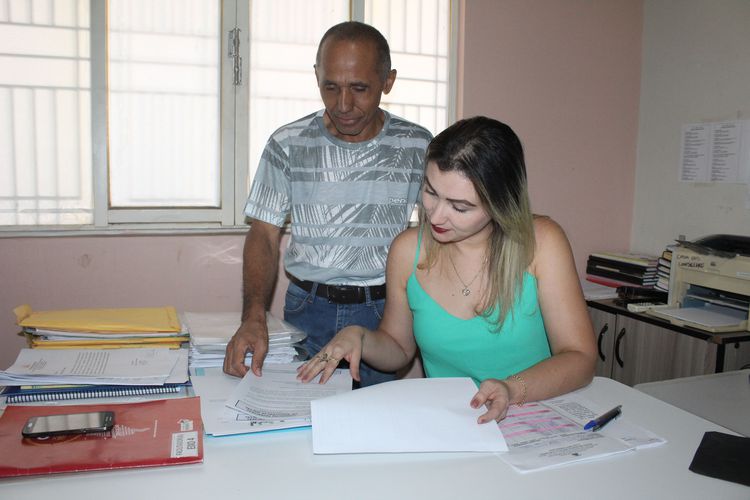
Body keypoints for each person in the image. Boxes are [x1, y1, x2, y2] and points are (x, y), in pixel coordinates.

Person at [297, 116, 597, 423]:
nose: (437, 216)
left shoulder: (542, 243)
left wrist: (512, 388)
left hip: (533, 417)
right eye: (430, 192)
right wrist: (360, 336)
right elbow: (399, 349)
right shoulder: (406, 251)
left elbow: (580, 358)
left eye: (460, 207)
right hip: (454, 424)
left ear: (500, 203)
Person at [223, 21, 432, 387]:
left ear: (388, 81)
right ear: (316, 76)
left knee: (376, 424)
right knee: (300, 426)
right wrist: (254, 315)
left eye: (359, 88)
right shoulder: (287, 143)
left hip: (386, 313)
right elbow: (264, 234)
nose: (343, 105)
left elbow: (440, 232)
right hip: (308, 309)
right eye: (330, 87)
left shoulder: (417, 146)